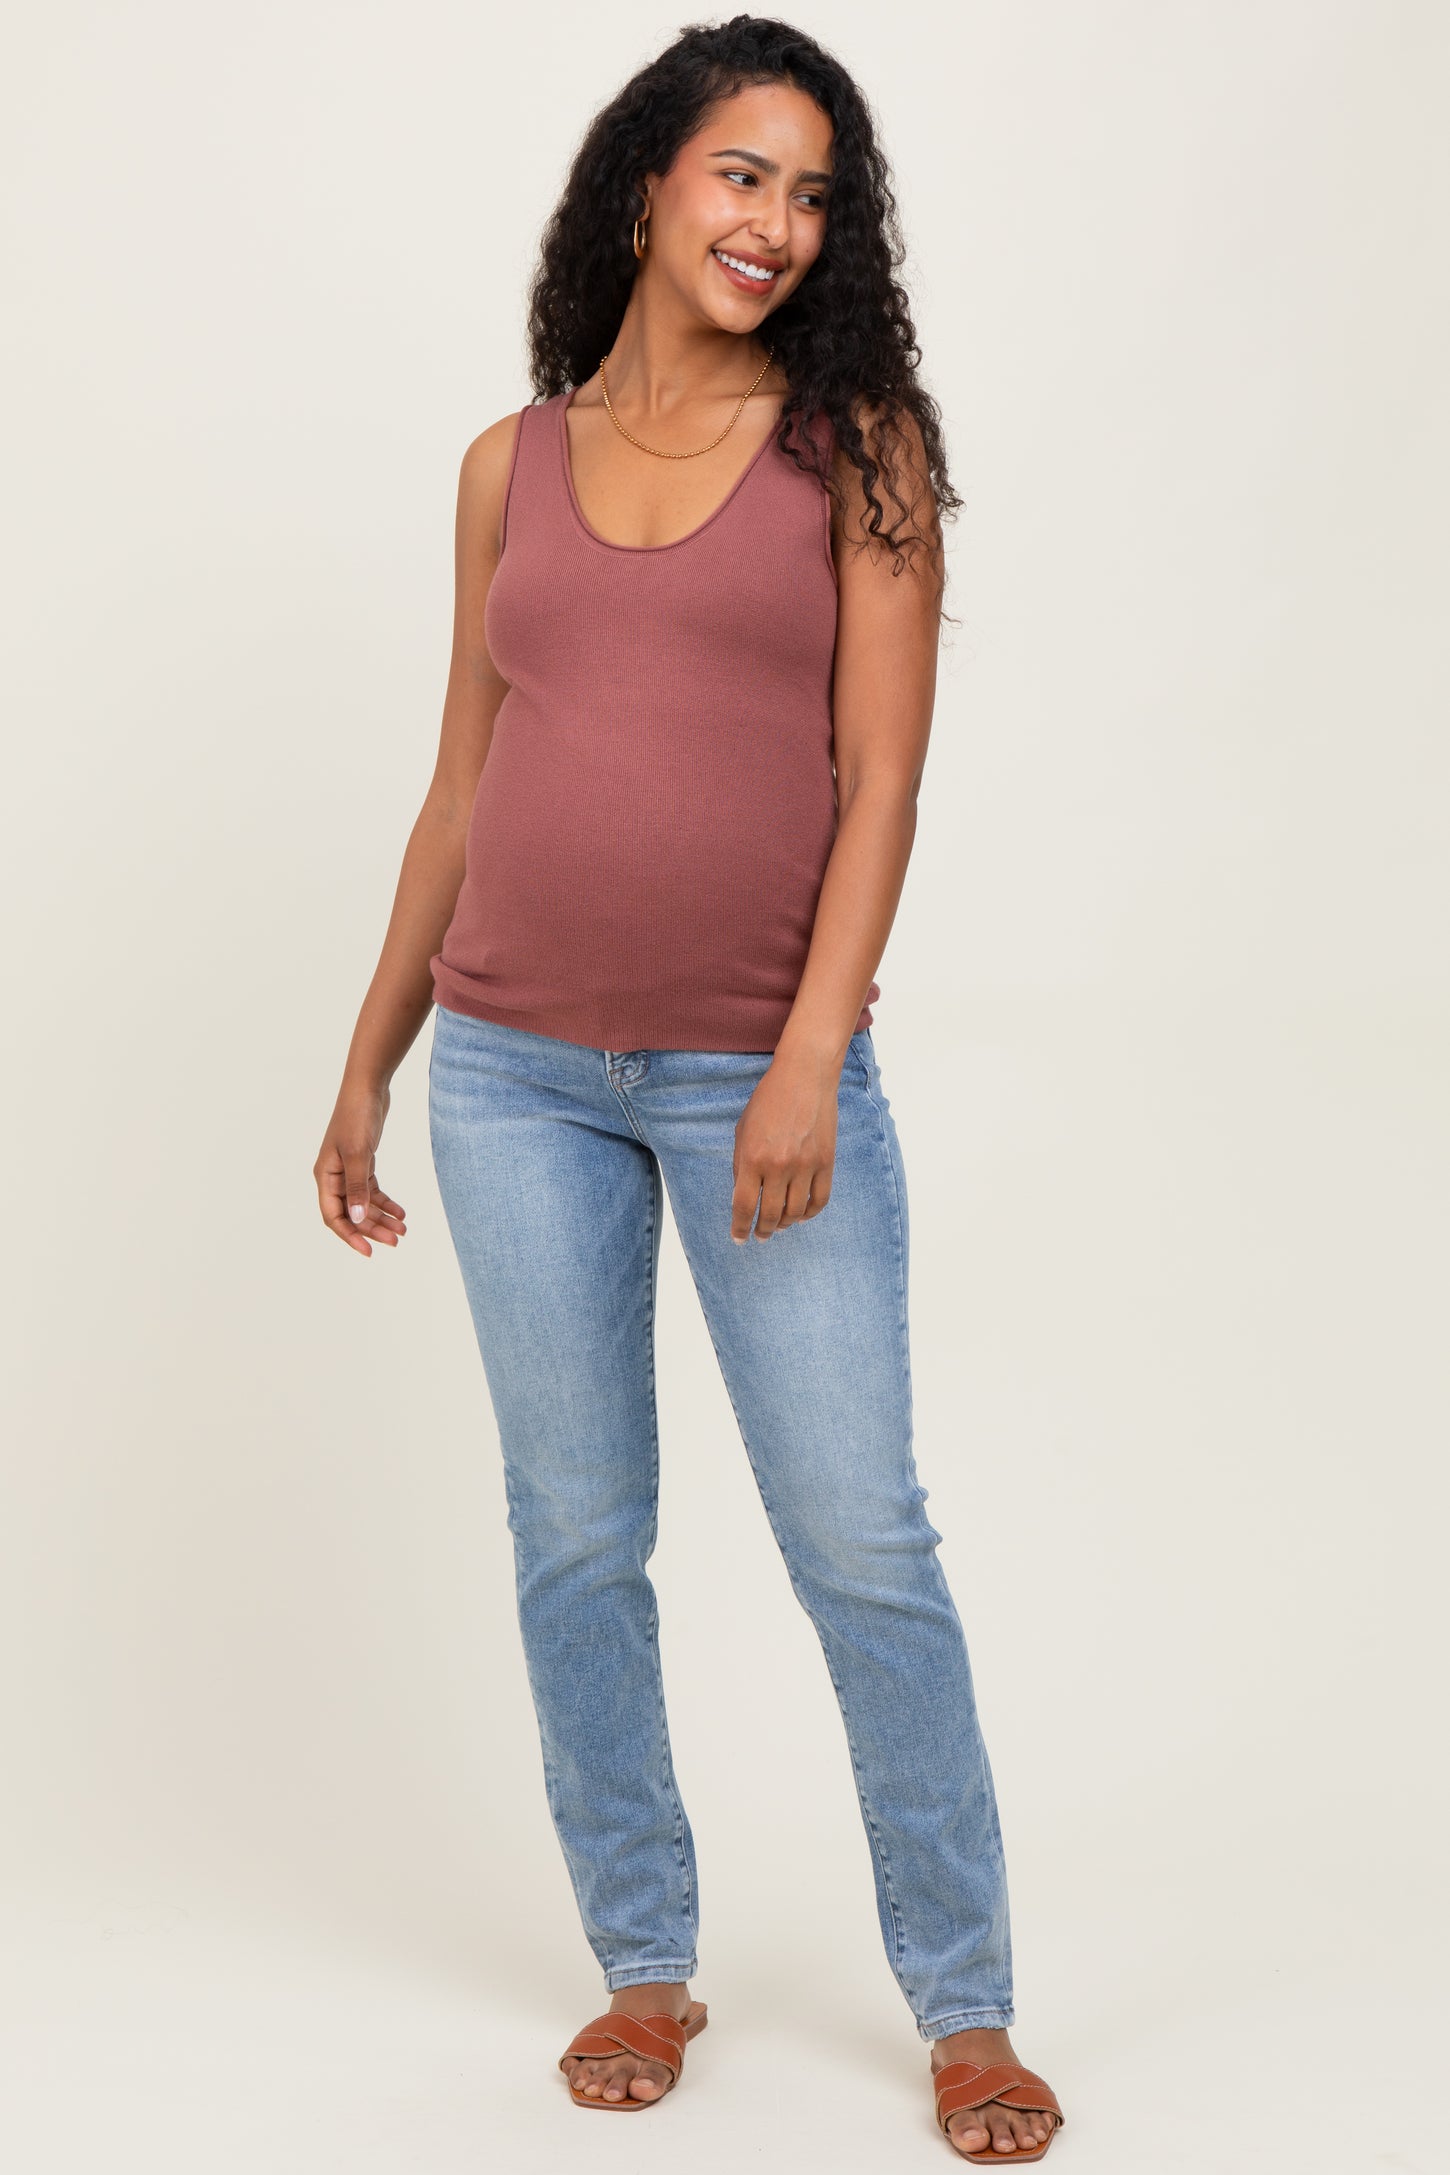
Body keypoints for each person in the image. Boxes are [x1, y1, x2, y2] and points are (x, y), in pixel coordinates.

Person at [313, 16, 1065, 2163]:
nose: (776, 222)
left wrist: (807, 1055)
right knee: (576, 1540)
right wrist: (367, 1059)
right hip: (510, 1077)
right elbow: (457, 787)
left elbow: (883, 776)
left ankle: (965, 2005)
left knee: (859, 1541)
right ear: (644, 181)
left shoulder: (860, 448)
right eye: (743, 173)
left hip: (755, 1066)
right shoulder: (509, 463)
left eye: (813, 193)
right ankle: (642, 1959)